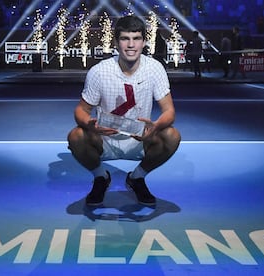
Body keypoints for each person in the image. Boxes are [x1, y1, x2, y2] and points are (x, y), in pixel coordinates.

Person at [67, 15, 181, 207]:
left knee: (172, 136)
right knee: (76, 136)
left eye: (136, 38)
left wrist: (156, 126)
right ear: (116, 42)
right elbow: (80, 110)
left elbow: (169, 111)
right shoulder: (99, 71)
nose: (131, 45)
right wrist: (90, 125)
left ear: (144, 41)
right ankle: (101, 177)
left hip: (140, 139)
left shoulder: (154, 68)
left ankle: (137, 178)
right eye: (125, 38)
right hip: (105, 140)